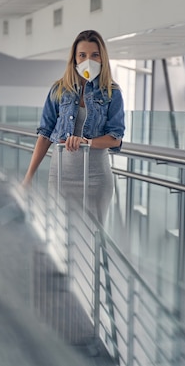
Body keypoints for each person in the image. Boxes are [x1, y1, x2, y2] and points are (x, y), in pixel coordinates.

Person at [22, 29, 125, 226]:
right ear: (74, 59)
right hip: (61, 176)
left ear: (102, 58)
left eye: (95, 55)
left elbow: (115, 138)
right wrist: (28, 178)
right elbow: (44, 135)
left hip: (96, 179)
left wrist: (87, 142)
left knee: (94, 238)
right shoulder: (59, 89)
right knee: (59, 236)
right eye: (82, 55)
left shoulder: (112, 93)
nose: (89, 60)